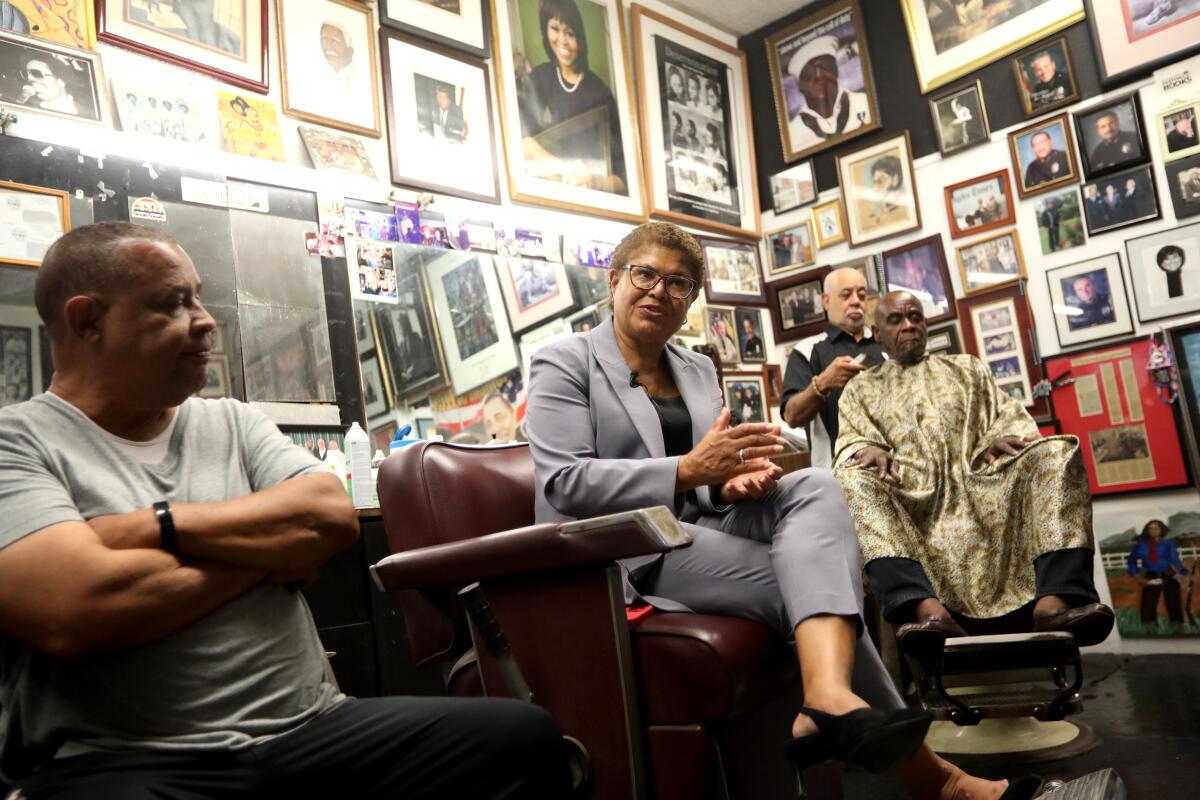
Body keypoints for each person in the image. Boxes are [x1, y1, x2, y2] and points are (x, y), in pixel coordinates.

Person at [0, 222, 569, 797]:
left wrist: (158, 526)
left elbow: (329, 515)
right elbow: (74, 610)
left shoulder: (232, 422)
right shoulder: (16, 443)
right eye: (173, 303)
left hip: (310, 729)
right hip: (126, 759)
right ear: (86, 321)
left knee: (521, 739)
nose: (204, 319)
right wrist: (268, 560)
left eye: (197, 297)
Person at [525, 223, 1035, 799]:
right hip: (616, 550)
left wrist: (727, 483)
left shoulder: (693, 368)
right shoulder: (562, 362)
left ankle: (826, 699)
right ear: (615, 279)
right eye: (645, 274)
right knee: (806, 583)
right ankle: (935, 777)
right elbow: (566, 482)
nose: (659, 291)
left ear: (691, 300)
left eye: (679, 283)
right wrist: (693, 470)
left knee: (817, 484)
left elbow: (699, 487)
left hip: (690, 524)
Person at [833, 291, 1114, 652]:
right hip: (908, 499)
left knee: (1056, 452)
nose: (909, 326)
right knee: (851, 479)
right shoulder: (860, 389)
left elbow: (1007, 419)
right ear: (877, 332)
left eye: (916, 317)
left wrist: (1000, 438)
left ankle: (1056, 601)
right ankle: (924, 608)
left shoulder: (967, 368)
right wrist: (865, 447)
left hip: (981, 488)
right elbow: (851, 441)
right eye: (896, 320)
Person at [517, 0, 627, 194]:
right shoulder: (540, 78)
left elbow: (623, 178)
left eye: (570, 33)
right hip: (548, 190)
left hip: (591, 195)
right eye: (554, 29)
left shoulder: (601, 93)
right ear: (545, 30)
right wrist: (564, 169)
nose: (562, 41)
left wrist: (595, 182)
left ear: (581, 38)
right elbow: (522, 142)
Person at [780, 268, 883, 469]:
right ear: (826, 301)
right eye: (846, 295)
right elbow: (791, 417)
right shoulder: (807, 351)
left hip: (893, 469)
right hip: (838, 473)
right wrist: (822, 384)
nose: (856, 301)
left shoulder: (885, 347)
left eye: (862, 295)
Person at [786, 35, 870, 152]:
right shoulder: (793, 133)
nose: (820, 76)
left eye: (826, 67)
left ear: (835, 71)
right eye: (810, 71)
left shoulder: (865, 103)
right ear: (801, 86)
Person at [1127, 519, 1190, 626]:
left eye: (1156, 528)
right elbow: (1131, 560)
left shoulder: (1168, 544)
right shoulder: (1140, 546)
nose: (1153, 531)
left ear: (1161, 530)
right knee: (1148, 601)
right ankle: (1149, 625)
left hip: (1168, 573)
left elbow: (1175, 559)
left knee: (1174, 600)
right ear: (1147, 530)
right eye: (1150, 528)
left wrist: (1182, 570)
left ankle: (1177, 623)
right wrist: (1136, 575)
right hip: (1151, 574)